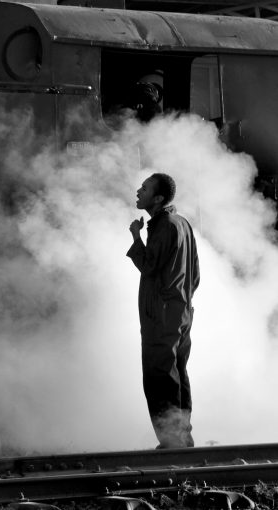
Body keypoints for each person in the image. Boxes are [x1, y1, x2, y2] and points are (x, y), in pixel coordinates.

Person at [127, 173, 199, 449]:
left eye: (144, 189)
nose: (138, 191)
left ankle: (172, 443)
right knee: (177, 373)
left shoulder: (165, 225)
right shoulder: (182, 223)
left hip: (162, 314)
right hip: (180, 311)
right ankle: (182, 438)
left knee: (159, 378)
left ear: (157, 199)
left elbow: (148, 266)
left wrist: (136, 237)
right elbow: (195, 275)